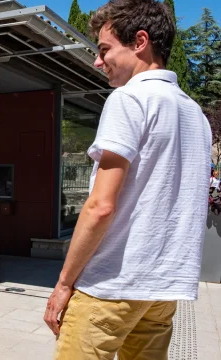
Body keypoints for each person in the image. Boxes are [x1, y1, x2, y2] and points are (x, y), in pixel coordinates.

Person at [43, 1, 212, 359]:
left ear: (139, 41)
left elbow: (101, 206)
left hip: (111, 285)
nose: (98, 62)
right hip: (163, 291)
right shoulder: (195, 114)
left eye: (104, 50)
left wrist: (63, 283)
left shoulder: (129, 98)